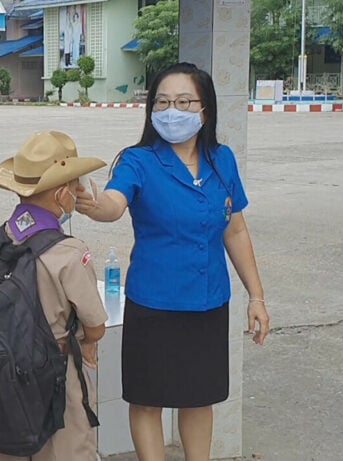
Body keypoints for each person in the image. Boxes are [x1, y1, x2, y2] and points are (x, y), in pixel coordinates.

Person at [75, 62, 270, 461]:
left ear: (205, 110)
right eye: (162, 102)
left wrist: (257, 296)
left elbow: (234, 230)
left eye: (183, 101)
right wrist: (96, 206)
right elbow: (114, 202)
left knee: (199, 399)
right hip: (154, 304)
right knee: (148, 400)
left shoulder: (223, 159)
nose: (172, 110)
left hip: (208, 302)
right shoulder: (138, 160)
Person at [0, 131, 109, 461]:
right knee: (66, 448)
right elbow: (95, 326)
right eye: (77, 185)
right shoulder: (68, 251)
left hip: (4, 370)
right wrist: (89, 340)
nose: (80, 192)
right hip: (55, 371)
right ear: (61, 194)